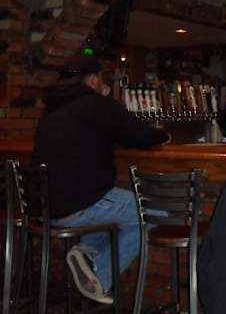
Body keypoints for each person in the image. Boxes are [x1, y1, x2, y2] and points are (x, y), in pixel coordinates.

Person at [33, 54, 169, 304]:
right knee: (156, 211)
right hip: (81, 204)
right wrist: (163, 136)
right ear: (94, 80)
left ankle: (86, 253)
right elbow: (140, 135)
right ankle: (99, 275)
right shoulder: (96, 105)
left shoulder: (50, 109)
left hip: (47, 208)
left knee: (112, 211)